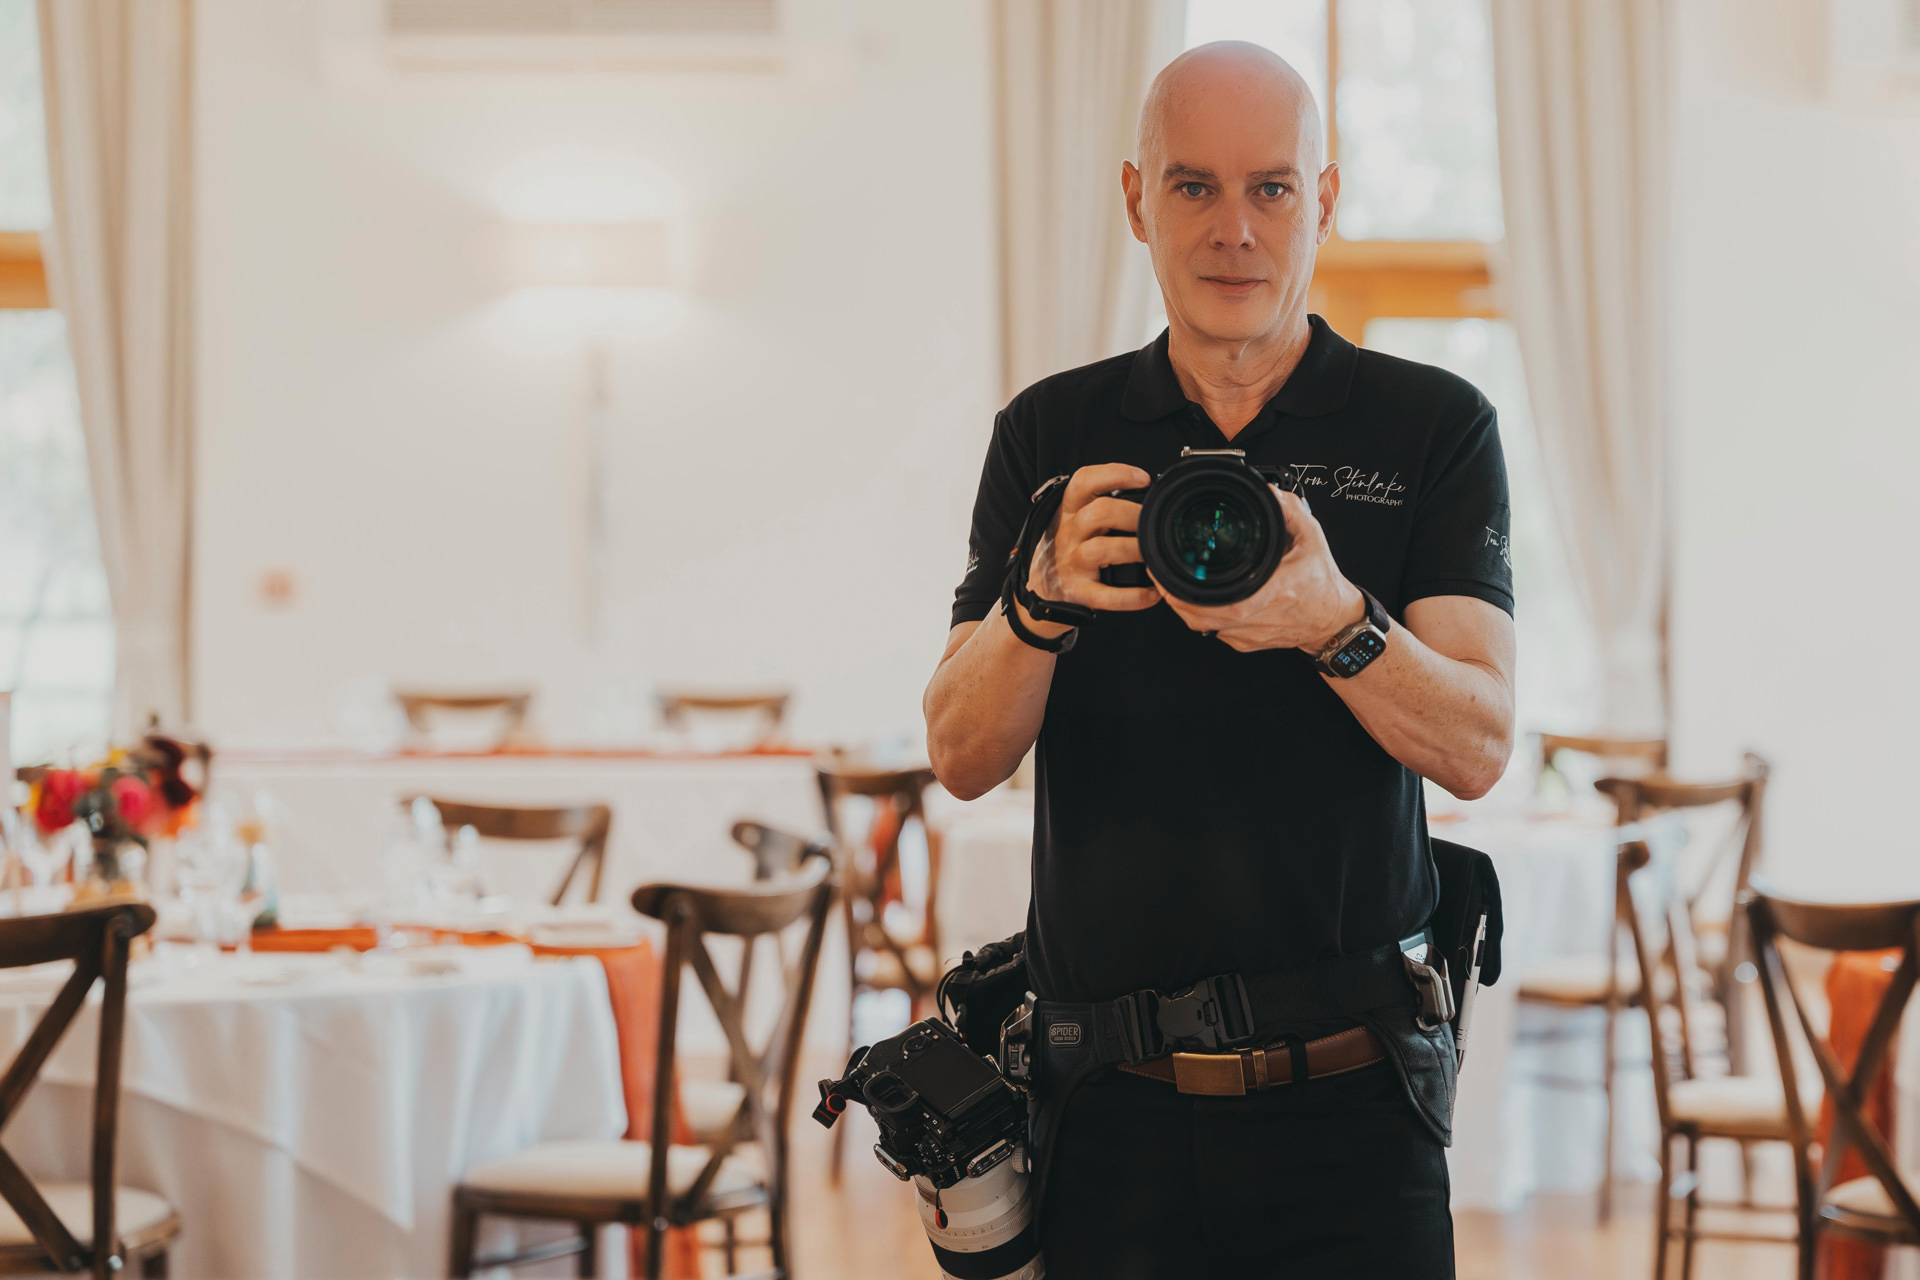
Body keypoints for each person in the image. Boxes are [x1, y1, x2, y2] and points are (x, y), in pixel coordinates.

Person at [922, 41, 1516, 1278]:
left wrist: (1334, 621)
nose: (1234, 228)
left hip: (1355, 1109)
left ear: (1325, 201)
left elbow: (1478, 743)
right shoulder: (1050, 431)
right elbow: (961, 754)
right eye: (1194, 186)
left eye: (1272, 188)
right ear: (1137, 200)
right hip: (1108, 1113)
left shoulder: (1433, 424)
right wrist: (1035, 603)